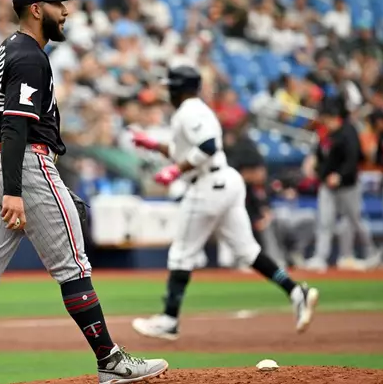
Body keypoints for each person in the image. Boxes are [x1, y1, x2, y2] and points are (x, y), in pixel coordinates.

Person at [0, 0, 168, 384]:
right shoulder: (30, 55)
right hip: (23, 165)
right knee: (74, 266)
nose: (66, 11)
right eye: (57, 3)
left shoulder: (6, 50)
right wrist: (18, 190)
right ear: (36, 8)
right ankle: (111, 362)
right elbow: (17, 124)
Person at [128, 66, 319, 341]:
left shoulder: (189, 110)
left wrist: (175, 170)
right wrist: (154, 145)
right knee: (248, 251)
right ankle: (294, 290)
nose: (168, 91)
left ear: (179, 89)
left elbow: (208, 147)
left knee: (181, 253)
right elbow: (192, 149)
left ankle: (169, 320)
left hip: (208, 185)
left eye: (171, 86)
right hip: (224, 181)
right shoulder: (196, 109)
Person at [303, 98, 381, 271]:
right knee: (325, 221)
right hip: (327, 185)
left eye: (327, 118)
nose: (325, 121)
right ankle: (320, 257)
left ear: (335, 117)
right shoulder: (324, 133)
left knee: (355, 220)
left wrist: (340, 175)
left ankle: (371, 253)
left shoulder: (348, 131)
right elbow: (319, 154)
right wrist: (315, 165)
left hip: (348, 185)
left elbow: (353, 158)